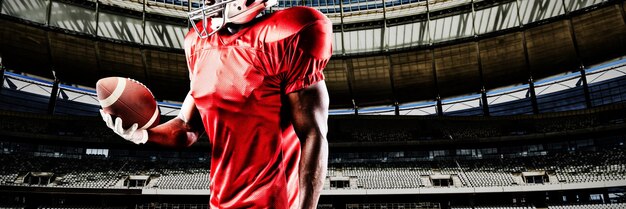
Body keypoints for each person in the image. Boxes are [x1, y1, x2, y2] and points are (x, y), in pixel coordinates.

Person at [99, 0, 332, 208]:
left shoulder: (290, 32)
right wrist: (142, 135)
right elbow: (187, 127)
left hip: (275, 203)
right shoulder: (197, 43)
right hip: (220, 202)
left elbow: (313, 135)